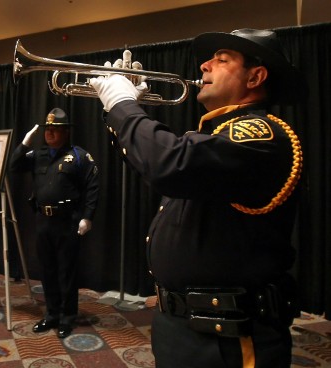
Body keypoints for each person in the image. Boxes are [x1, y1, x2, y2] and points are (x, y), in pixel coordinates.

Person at [89, 29, 304, 367]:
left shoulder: (260, 134)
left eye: (221, 60)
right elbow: (154, 163)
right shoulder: (212, 139)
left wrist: (123, 105)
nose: (204, 65)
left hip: (229, 338)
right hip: (182, 327)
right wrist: (122, 111)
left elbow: (167, 163)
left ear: (256, 77)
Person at [9, 108, 99, 338]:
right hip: (43, 221)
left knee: (66, 272)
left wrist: (87, 216)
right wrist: (24, 144)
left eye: (55, 129)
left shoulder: (79, 156)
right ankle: (51, 314)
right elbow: (14, 166)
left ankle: (67, 317)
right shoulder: (37, 155)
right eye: (47, 129)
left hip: (67, 221)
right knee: (47, 271)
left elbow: (92, 186)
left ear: (66, 132)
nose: (49, 133)